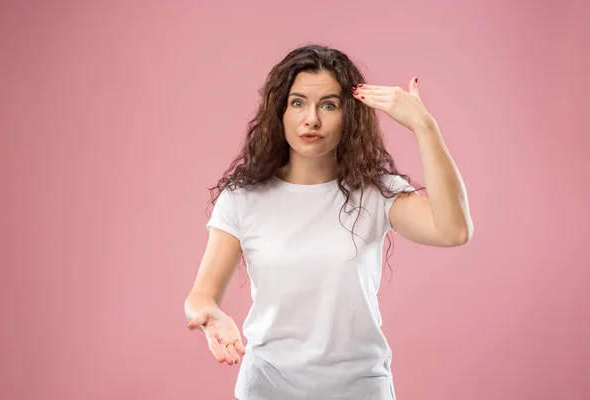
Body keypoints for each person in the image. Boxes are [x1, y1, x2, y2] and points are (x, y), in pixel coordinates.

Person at [184, 44, 473, 400]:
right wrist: (211, 315)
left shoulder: (376, 193)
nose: (312, 119)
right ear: (280, 111)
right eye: (298, 103)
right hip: (267, 388)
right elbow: (200, 296)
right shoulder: (243, 199)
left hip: (361, 389)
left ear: (349, 115)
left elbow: (453, 230)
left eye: (329, 105)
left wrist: (425, 127)